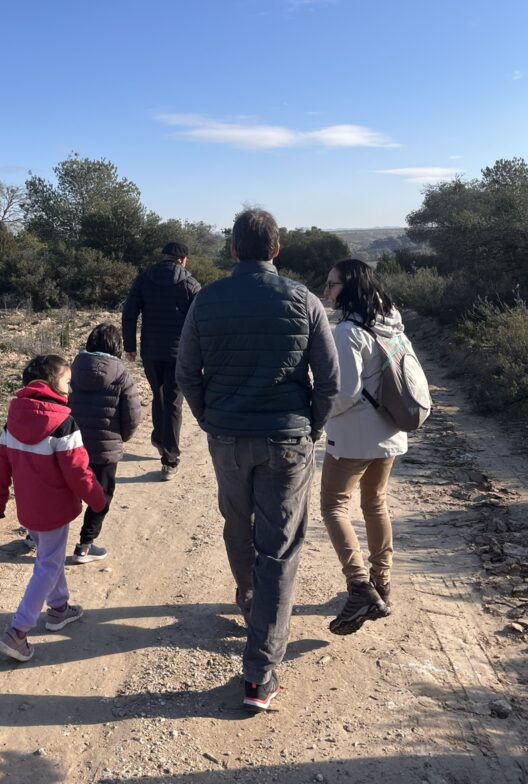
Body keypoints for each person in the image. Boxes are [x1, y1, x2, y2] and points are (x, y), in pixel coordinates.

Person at [176, 208, 339, 712]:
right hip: (287, 440)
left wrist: (209, 419)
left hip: (228, 437)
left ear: (232, 249)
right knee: (280, 548)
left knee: (236, 522)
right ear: (276, 249)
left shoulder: (206, 299)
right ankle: (260, 673)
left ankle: (248, 594)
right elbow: (329, 381)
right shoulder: (304, 299)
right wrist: (312, 427)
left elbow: (186, 373)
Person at [0, 354, 107, 662]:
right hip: (55, 511)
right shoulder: (64, 424)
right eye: (67, 382)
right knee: (48, 565)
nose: (70, 389)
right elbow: (79, 473)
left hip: (29, 510)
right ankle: (17, 632)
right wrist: (98, 500)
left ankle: (59, 609)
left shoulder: (12, 422)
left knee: (49, 557)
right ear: (51, 385)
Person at [320, 258, 407, 635]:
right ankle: (381, 583)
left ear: (350, 288)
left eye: (332, 284)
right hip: (389, 431)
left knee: (333, 506)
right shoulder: (392, 324)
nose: (327, 291)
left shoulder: (347, 332)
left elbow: (345, 393)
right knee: (375, 504)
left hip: (353, 437)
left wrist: (317, 413)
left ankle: (359, 587)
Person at [122, 241, 200, 480]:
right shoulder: (190, 283)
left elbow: (129, 313)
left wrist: (129, 346)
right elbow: (200, 320)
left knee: (159, 394)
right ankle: (170, 459)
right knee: (173, 401)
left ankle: (159, 438)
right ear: (183, 260)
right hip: (179, 353)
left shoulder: (144, 279)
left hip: (150, 350)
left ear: (163, 257)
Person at [69, 323, 142, 563]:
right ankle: (85, 545)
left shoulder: (71, 370)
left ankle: (38, 536)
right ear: (117, 347)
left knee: (63, 490)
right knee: (101, 495)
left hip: (70, 445)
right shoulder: (122, 375)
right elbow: (132, 415)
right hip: (104, 450)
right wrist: (120, 438)